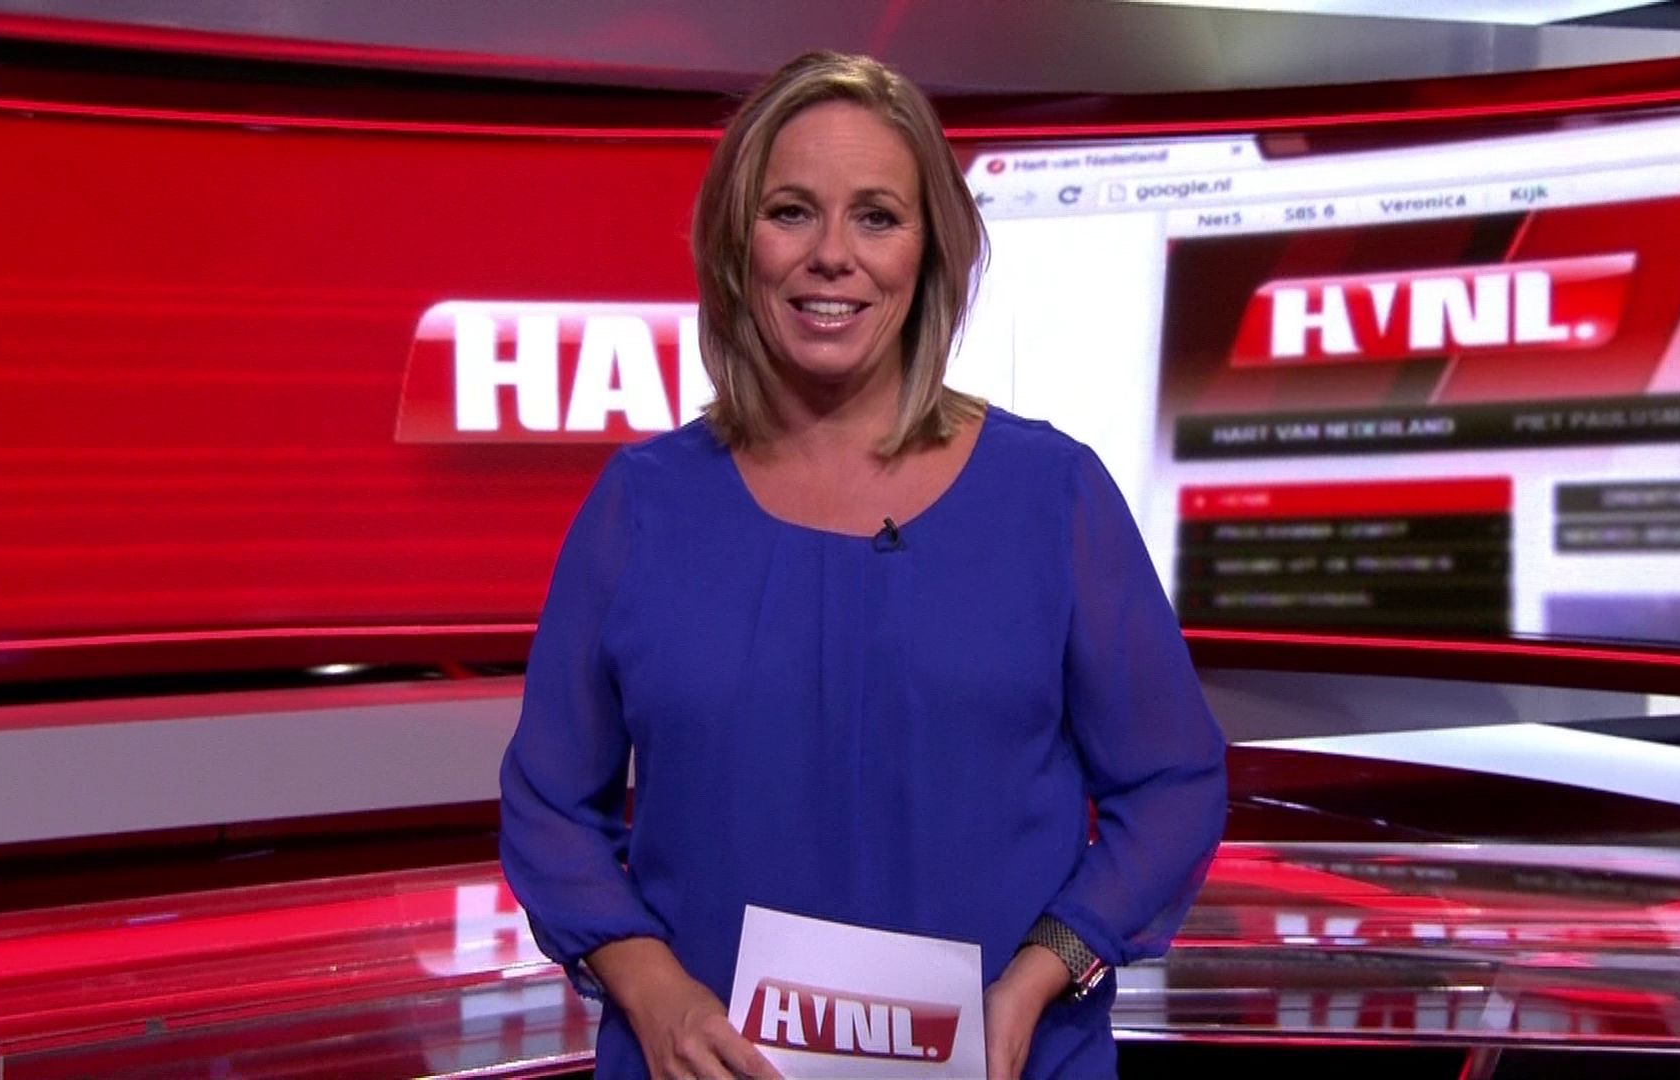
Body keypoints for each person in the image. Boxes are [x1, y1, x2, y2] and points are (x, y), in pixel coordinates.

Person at [499, 51, 1227, 1080]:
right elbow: (547, 807)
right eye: (791, 212)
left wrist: (1041, 975)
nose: (832, 256)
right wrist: (655, 993)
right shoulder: (642, 504)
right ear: (736, 243)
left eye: (877, 217)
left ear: (931, 252)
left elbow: (1173, 788)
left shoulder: (1052, 494)